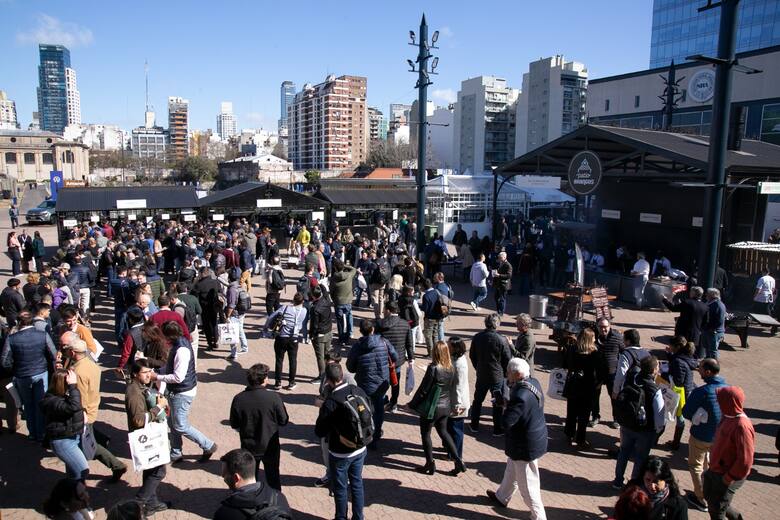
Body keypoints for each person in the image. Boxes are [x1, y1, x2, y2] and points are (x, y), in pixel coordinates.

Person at [486, 358, 548, 519]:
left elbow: (506, 422)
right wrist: (508, 403)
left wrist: (503, 406)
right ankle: (502, 496)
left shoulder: (520, 395)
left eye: (508, 372)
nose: (506, 375)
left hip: (524, 445)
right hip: (533, 437)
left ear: (518, 374)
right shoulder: (533, 382)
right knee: (511, 470)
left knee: (528, 486)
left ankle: (539, 516)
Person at [61, 339, 128, 481]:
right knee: (89, 439)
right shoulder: (91, 364)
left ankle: (116, 465)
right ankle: (105, 443)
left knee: (87, 445)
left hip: (84, 412)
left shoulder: (77, 372)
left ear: (72, 352)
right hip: (93, 406)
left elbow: (80, 398)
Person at [153, 321, 217, 463]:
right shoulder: (179, 344)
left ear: (169, 336)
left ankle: (208, 445)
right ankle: (176, 452)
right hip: (178, 391)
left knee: (180, 425)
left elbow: (178, 377)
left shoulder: (181, 350)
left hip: (182, 392)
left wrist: (156, 376)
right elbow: (172, 368)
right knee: (172, 422)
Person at [315, 363, 370, 520]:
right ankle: (358, 517)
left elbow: (320, 431)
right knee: (357, 484)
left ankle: (341, 517)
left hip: (340, 452)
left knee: (340, 488)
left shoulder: (331, 402)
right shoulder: (357, 390)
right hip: (360, 448)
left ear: (328, 380)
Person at [408, 340, 466, 476]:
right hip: (445, 406)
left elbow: (423, 390)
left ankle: (430, 463)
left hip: (432, 407)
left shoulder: (433, 368)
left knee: (426, 434)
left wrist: (412, 405)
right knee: (444, 432)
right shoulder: (451, 368)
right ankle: (458, 460)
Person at [229, 363, 289, 490]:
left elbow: (234, 424)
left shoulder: (239, 399)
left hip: (249, 446)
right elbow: (284, 420)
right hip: (270, 446)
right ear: (263, 380)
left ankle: (251, 504)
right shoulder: (273, 397)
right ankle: (275, 503)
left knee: (250, 479)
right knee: (273, 477)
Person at [1, 310, 57, 442]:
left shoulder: (12, 338)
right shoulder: (42, 335)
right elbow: (53, 354)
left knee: (28, 404)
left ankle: (32, 433)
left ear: (19, 323)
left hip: (22, 376)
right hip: (41, 373)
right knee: (40, 404)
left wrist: (15, 369)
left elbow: (4, 361)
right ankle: (41, 433)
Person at [612, 356, 666, 489]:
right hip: (645, 429)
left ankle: (618, 480)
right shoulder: (654, 389)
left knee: (623, 452)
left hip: (627, 424)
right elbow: (659, 413)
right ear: (653, 370)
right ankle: (634, 484)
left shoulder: (631, 379)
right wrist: (659, 429)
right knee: (640, 458)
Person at [681, 358, 727, 512]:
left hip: (701, 435)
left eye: (700, 368)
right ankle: (709, 491)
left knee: (696, 465)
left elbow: (686, 412)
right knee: (709, 464)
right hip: (719, 436)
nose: (698, 369)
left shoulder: (702, 392)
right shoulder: (727, 388)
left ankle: (701, 498)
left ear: (708, 371)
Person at [125, 359, 170, 515]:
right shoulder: (133, 392)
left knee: (151, 469)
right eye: (145, 372)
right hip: (144, 437)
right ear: (136, 374)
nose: (149, 375)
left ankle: (152, 503)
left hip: (151, 435)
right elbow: (138, 420)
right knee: (158, 471)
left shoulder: (141, 386)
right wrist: (159, 407)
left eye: (150, 371)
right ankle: (138, 503)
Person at [703, 385, 755, 520]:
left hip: (726, 474)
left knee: (717, 510)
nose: (717, 402)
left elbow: (745, 461)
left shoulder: (742, 426)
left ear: (729, 402)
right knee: (710, 497)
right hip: (716, 470)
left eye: (720, 399)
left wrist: (728, 478)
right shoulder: (727, 416)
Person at [346, 319, 397, 450]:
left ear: (361, 331)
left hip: (364, 383)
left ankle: (366, 433)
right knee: (379, 409)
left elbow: (350, 367)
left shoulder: (357, 346)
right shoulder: (384, 342)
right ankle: (376, 434)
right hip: (381, 383)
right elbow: (395, 357)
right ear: (372, 330)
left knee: (365, 410)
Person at [214, 448, 292, 520]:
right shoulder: (279, 497)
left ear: (236, 478)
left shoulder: (224, 514)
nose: (224, 478)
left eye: (224, 475)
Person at [40, 368, 88, 482]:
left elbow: (76, 407)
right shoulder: (52, 401)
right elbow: (73, 407)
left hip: (72, 436)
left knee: (73, 472)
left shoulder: (63, 396)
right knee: (82, 471)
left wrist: (83, 412)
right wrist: (73, 387)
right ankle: (75, 494)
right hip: (63, 442)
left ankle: (73, 495)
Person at [469, 313, 512, 435]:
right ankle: (497, 428)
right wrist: (504, 373)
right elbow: (507, 359)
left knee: (477, 400)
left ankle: (474, 424)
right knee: (497, 402)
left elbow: (472, 355)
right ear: (497, 324)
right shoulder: (502, 339)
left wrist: (478, 367)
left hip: (482, 374)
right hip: (497, 376)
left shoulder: (477, 337)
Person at [563, 329, 602, 448]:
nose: (595, 339)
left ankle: (569, 435)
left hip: (573, 386)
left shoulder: (572, 349)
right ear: (590, 339)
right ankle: (580, 439)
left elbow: (564, 364)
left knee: (571, 413)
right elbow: (599, 372)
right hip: (587, 388)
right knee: (584, 416)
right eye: (594, 337)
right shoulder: (594, 353)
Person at [375, 301, 413, 412]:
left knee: (381, 382)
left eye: (384, 309)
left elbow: (375, 341)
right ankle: (394, 403)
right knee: (395, 383)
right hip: (397, 360)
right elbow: (409, 344)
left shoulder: (380, 324)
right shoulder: (405, 324)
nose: (383, 311)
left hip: (382, 359)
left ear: (388, 310)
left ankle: (381, 401)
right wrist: (411, 358)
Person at [264, 293, 307, 390]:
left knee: (279, 360)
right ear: (302, 301)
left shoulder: (285, 308)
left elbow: (271, 317)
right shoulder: (304, 311)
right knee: (293, 360)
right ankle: (291, 382)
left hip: (281, 337)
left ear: (293, 300)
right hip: (294, 338)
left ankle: (278, 383)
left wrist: (266, 328)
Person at [628, 456, 689, 520]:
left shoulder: (678, 506)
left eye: (656, 481)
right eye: (648, 480)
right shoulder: (631, 491)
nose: (652, 486)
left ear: (666, 480)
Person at [663, 337, 697, 451]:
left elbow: (677, 380)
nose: (670, 347)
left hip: (680, 393)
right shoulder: (686, 357)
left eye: (671, 345)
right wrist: (669, 355)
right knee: (680, 417)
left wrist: (664, 375)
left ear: (677, 347)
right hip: (687, 390)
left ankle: (675, 443)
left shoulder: (678, 361)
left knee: (676, 417)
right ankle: (676, 442)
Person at [593, 318, 624, 427]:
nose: (603, 329)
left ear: (609, 326)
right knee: (594, 396)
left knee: (614, 396)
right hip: (597, 372)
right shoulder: (593, 337)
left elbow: (623, 352)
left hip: (612, 373)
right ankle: (595, 416)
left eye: (605, 327)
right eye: (600, 327)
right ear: (597, 327)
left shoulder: (617, 337)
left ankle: (616, 419)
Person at [446, 336, 470, 461]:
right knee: (451, 428)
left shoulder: (460, 364)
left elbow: (459, 387)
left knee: (456, 430)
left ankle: (456, 455)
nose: (447, 347)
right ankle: (451, 450)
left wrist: (458, 405)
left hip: (458, 402)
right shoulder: (456, 359)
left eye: (449, 346)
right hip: (453, 400)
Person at [612, 329, 649, 399]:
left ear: (628, 341)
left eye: (624, 339)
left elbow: (620, 375)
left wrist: (615, 391)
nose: (622, 341)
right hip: (644, 391)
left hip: (629, 392)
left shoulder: (625, 355)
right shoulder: (647, 353)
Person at [308, 285, 333, 382]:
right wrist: (320, 286)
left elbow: (314, 325)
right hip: (329, 331)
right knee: (328, 354)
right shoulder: (326, 300)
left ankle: (322, 376)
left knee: (320, 357)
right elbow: (325, 291)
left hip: (320, 334)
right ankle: (330, 374)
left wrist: (311, 335)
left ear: (314, 296)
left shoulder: (315, 309)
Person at [329, 259, 356, 346]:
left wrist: (333, 299)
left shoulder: (334, 278)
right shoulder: (348, 275)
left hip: (338, 301)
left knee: (340, 321)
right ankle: (348, 336)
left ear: (335, 268)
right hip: (348, 301)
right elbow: (354, 269)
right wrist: (344, 266)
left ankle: (341, 338)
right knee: (348, 318)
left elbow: (331, 290)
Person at [225, 270, 249, 360]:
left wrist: (227, 316)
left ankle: (233, 354)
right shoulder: (241, 286)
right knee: (240, 330)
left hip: (234, 314)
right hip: (241, 312)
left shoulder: (232, 289)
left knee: (232, 334)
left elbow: (231, 304)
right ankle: (244, 347)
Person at [701, 288, 726, 360]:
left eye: (708, 294)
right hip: (708, 330)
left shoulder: (718, 305)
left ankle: (714, 366)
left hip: (714, 331)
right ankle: (707, 363)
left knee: (713, 351)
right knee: (708, 349)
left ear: (713, 295)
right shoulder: (710, 303)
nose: (706, 295)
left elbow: (720, 320)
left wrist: (712, 329)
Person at [492, 251, 513, 317]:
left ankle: (501, 313)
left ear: (504, 257)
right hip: (498, 284)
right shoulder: (500, 263)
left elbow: (509, 275)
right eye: (499, 257)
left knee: (502, 299)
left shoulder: (508, 265)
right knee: (496, 297)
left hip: (504, 285)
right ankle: (498, 310)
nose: (499, 259)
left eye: (500, 257)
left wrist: (499, 275)